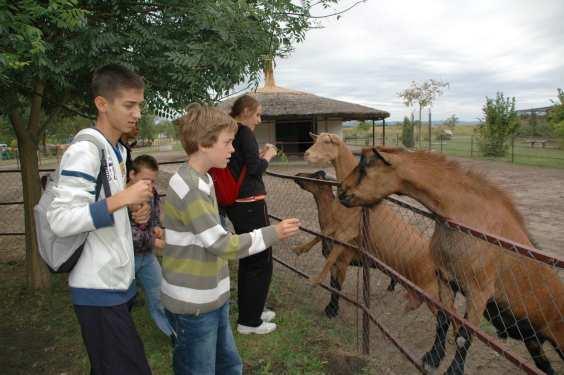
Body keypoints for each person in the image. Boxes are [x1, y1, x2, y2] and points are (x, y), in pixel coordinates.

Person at [161, 103, 300, 375]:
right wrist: (273, 232)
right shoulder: (189, 186)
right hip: (195, 306)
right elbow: (221, 244)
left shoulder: (203, 180)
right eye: (227, 142)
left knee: (229, 365)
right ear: (204, 143)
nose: (233, 149)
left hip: (212, 297)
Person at [47, 64, 154, 375]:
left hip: (117, 282)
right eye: (129, 105)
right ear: (102, 104)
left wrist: (134, 210)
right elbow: (61, 219)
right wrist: (122, 199)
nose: (137, 114)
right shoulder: (85, 149)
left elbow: (105, 207)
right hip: (97, 287)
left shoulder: (117, 151)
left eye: (140, 105)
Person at [223, 94, 279, 335]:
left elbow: (243, 165)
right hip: (249, 203)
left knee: (249, 256)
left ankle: (252, 309)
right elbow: (254, 169)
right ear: (246, 111)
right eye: (257, 114)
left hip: (238, 204)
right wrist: (268, 155)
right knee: (260, 259)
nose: (259, 118)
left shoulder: (231, 131)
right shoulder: (244, 132)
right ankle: (249, 321)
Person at [128, 154, 174, 337]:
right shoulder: (120, 198)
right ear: (132, 174)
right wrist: (155, 241)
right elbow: (127, 233)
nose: (150, 185)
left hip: (146, 257)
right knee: (123, 301)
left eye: (152, 181)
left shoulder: (152, 193)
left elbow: (154, 215)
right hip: (125, 259)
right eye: (145, 180)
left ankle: (173, 334)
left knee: (159, 296)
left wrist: (156, 227)